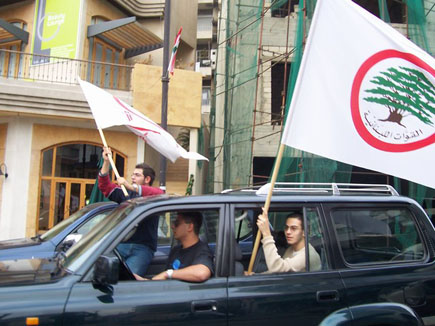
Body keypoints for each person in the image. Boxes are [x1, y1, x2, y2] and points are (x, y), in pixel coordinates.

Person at [98, 146, 164, 276]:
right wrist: (106, 162)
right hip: (121, 244)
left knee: (128, 281)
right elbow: (104, 186)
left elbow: (160, 192)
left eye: (137, 175)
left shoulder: (154, 196)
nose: (133, 177)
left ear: (147, 180)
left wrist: (130, 186)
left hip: (142, 248)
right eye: (133, 174)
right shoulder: (124, 193)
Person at [135, 211, 214, 282]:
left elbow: (202, 273)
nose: (172, 226)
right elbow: (163, 281)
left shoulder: (202, 251)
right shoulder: (176, 250)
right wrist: (143, 281)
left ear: (190, 227)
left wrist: (168, 273)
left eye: (177, 223)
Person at [256, 208, 321, 273]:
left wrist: (266, 234)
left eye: (294, 228)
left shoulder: (308, 255)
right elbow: (278, 273)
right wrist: (256, 276)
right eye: (286, 227)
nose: (288, 232)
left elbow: (277, 268)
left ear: (305, 232)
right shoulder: (290, 249)